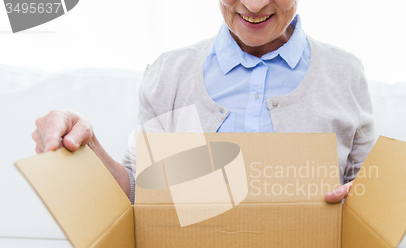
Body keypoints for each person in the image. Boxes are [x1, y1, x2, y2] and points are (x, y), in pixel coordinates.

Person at [31, 0, 375, 204]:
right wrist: (87, 146)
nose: (254, 6)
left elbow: (367, 190)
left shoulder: (345, 73)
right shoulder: (169, 73)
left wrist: (361, 197)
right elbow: (140, 195)